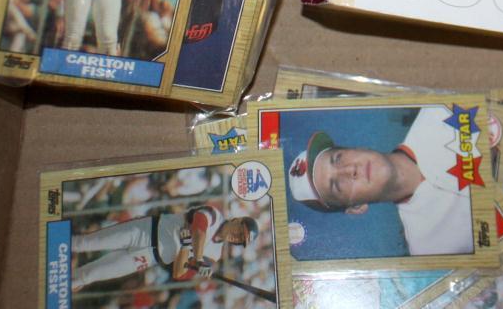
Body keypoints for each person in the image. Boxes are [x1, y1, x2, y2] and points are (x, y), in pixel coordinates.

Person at [287, 106, 476, 256]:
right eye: (337, 185)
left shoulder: (440, 112)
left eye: (338, 158)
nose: (349, 170)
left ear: (357, 148)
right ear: (356, 207)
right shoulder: (428, 248)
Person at [71, 208, 258, 292]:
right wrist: (198, 258)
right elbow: (199, 229)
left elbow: (179, 273)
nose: (237, 237)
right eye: (240, 231)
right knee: (83, 244)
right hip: (144, 230)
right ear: (237, 220)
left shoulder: (214, 255)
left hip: (149, 257)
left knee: (89, 275)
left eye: (241, 240)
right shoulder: (215, 215)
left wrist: (186, 247)